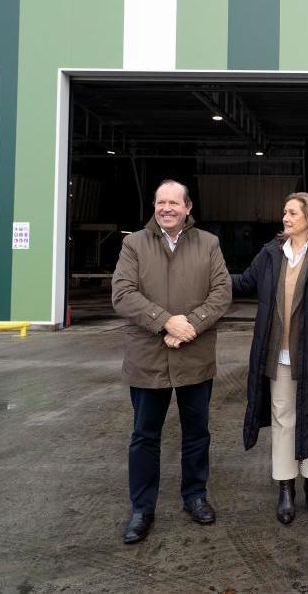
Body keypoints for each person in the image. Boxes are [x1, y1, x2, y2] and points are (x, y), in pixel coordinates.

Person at [111, 179, 232, 544]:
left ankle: (194, 496)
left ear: (188, 208)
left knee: (197, 434)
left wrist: (188, 325)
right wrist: (165, 320)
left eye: (173, 203)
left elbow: (222, 292)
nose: (166, 208)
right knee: (144, 436)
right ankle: (141, 508)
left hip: (193, 355)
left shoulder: (208, 243)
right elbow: (122, 293)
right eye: (160, 202)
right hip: (147, 357)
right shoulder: (133, 243)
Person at [229, 192, 308, 524]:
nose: (285, 218)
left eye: (292, 214)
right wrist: (210, 277)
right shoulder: (271, 254)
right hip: (279, 355)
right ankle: (286, 487)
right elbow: (243, 283)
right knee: (284, 419)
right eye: (284, 213)